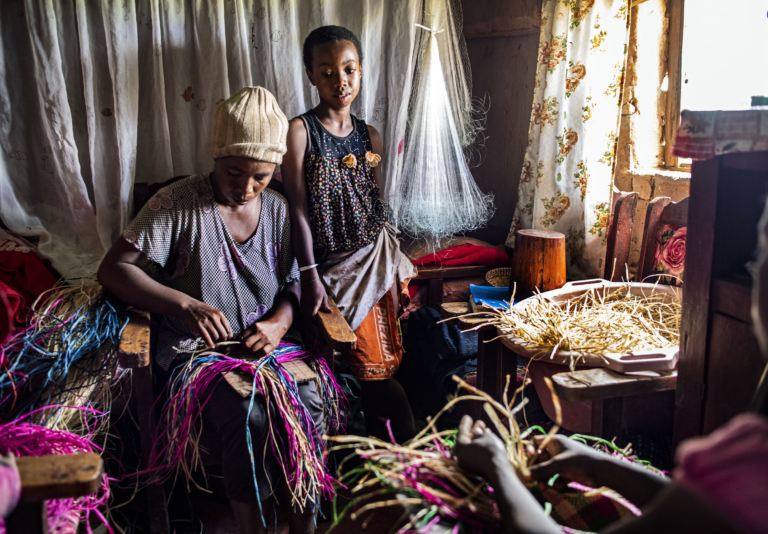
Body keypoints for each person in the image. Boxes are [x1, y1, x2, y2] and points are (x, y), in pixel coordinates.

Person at [453, 200, 768, 534]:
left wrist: (497, 466)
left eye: (759, 257)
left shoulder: (751, 458)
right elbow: (695, 508)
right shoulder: (752, 446)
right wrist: (598, 466)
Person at [98, 87, 323, 534]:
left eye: (260, 176)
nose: (245, 187)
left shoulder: (278, 210)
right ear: (216, 157)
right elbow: (113, 270)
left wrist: (279, 323)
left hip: (266, 347)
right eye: (233, 172)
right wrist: (183, 304)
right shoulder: (178, 203)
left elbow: (295, 281)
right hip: (197, 353)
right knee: (247, 412)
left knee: (309, 400)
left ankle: (305, 527)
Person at [282, 25, 416, 442]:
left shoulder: (369, 136)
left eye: (349, 69)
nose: (340, 81)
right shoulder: (300, 132)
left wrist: (392, 273)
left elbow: (376, 206)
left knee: (378, 370)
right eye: (327, 72)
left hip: (373, 263)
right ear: (310, 75)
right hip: (326, 267)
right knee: (332, 364)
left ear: (360, 71)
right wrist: (309, 275)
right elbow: (297, 210)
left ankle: (390, 455)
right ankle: (338, 450)